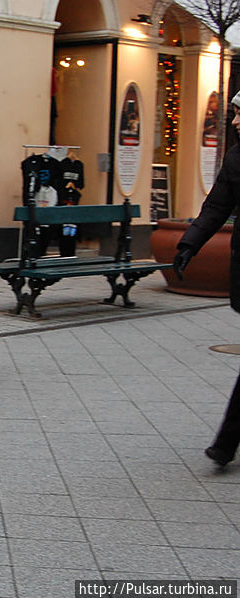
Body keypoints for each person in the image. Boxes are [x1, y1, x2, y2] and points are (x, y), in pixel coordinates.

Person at [173, 89, 240, 467]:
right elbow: (217, 206)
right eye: (233, 113)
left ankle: (226, 444)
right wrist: (189, 244)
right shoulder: (236, 157)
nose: (233, 121)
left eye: (239, 113)